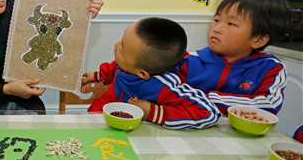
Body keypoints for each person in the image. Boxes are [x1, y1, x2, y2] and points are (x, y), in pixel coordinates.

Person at [83, 17, 221, 129]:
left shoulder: (164, 86)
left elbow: (210, 114)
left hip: (137, 131)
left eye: (122, 48)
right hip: (103, 114)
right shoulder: (129, 65)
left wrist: (152, 112)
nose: (115, 45)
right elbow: (117, 67)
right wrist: (98, 76)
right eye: (122, 40)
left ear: (142, 74)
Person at [178, 0, 294, 114]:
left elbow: (269, 104)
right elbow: (168, 90)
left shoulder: (270, 68)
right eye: (217, 20)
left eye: (231, 23)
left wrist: (208, 99)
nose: (216, 29)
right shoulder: (189, 61)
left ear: (259, 40)